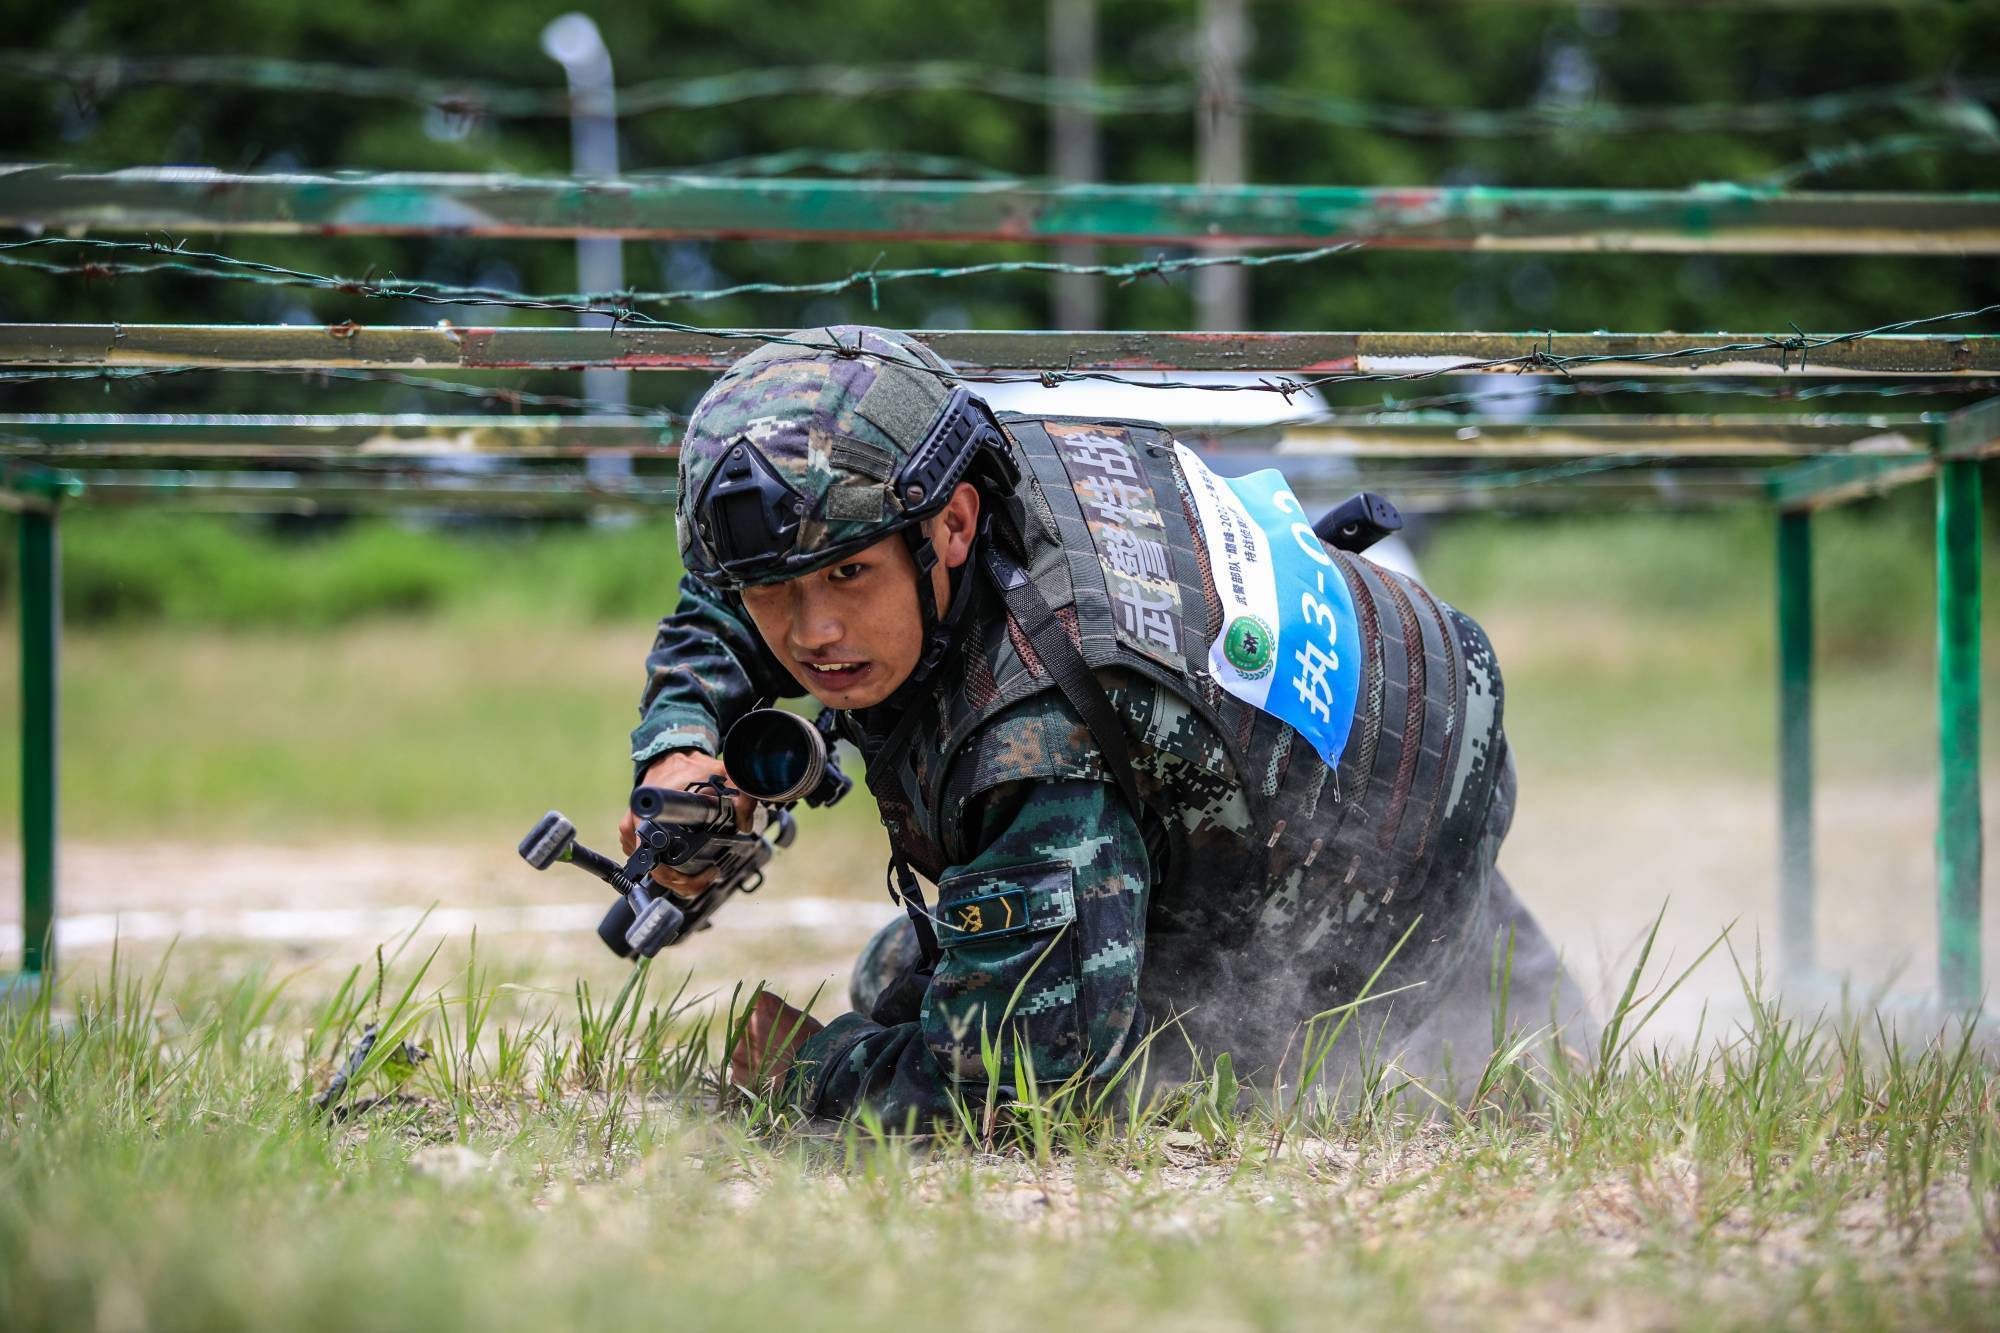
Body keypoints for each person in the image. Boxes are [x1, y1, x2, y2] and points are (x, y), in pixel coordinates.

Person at [622, 325, 1589, 1125]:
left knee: (920, 995)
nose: (813, 633)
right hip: (1371, 731)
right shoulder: (973, 456)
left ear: (951, 527)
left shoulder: (1039, 738)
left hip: (1376, 867)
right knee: (917, 968)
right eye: (776, 595)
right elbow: (728, 585)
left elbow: (1006, 1089)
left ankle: (1542, 1040)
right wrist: (681, 746)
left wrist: (806, 1071)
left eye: (847, 576)